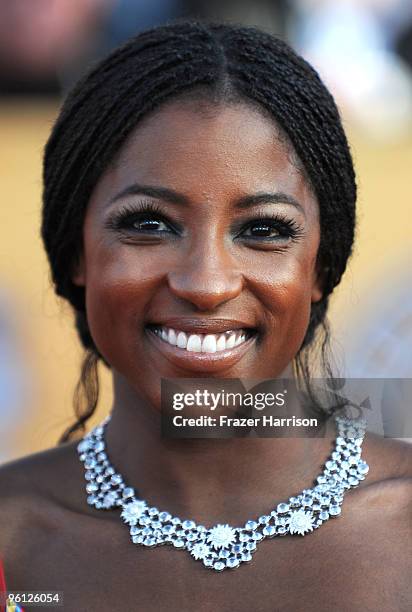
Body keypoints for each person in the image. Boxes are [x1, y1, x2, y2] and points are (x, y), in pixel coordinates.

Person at [0, 21, 411, 611]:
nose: (206, 284)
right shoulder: (13, 545)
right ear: (75, 253)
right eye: (148, 224)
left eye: (263, 230)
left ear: (322, 266)